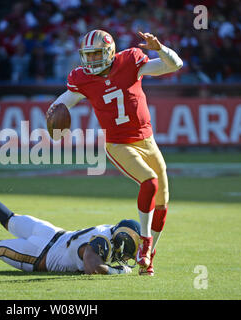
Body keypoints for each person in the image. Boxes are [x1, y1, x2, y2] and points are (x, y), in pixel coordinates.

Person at [46, 30, 183, 276]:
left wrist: (160, 48)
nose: (91, 60)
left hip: (147, 140)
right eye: (87, 55)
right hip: (119, 144)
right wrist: (53, 113)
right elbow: (61, 103)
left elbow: (175, 65)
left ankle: (149, 257)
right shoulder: (83, 78)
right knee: (149, 181)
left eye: (97, 53)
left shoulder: (130, 62)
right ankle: (144, 242)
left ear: (109, 51)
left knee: (163, 200)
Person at [0, 175, 141, 275]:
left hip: (49, 231)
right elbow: (92, 267)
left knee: (7, 217)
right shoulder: (104, 242)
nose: (127, 257)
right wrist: (119, 272)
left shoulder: (106, 229)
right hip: (41, 255)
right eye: (129, 251)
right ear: (121, 242)